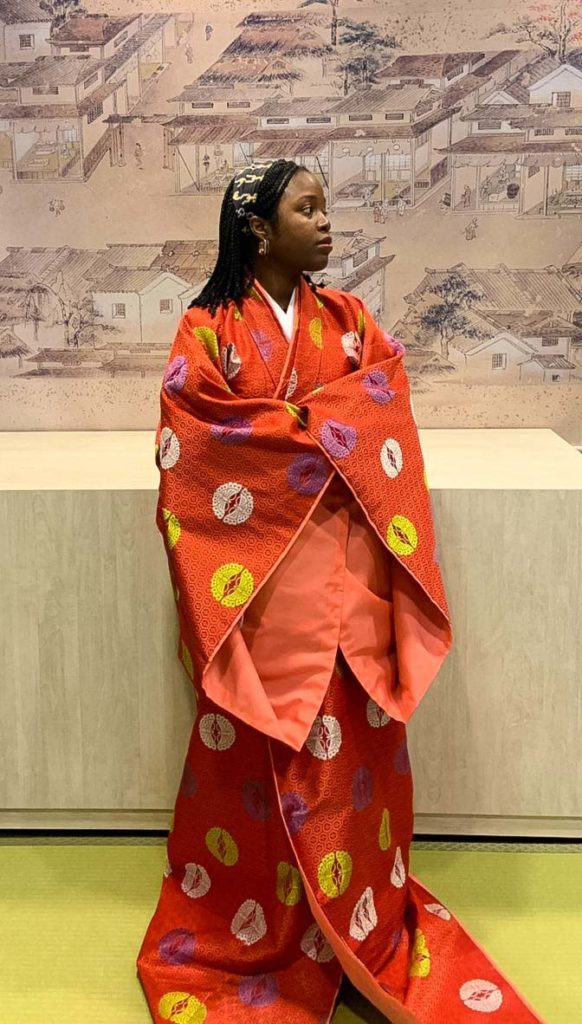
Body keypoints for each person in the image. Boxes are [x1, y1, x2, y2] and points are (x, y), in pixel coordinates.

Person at [137, 160, 544, 1024]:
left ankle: (359, 920)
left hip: (350, 584)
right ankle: (255, 931)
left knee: (357, 763)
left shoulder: (350, 320)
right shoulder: (207, 328)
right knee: (253, 762)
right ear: (256, 226)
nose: (327, 223)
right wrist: (318, 433)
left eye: (326, 208)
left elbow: (384, 406)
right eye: (306, 209)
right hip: (260, 598)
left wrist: (307, 433)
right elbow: (195, 438)